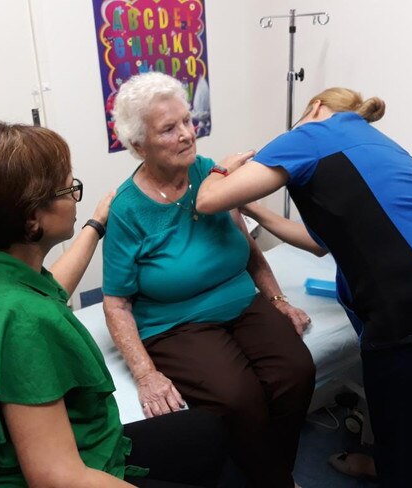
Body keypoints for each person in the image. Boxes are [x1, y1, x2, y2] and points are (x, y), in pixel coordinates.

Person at [196, 87, 412, 488]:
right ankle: (390, 463)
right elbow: (320, 244)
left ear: (315, 107)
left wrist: (221, 169)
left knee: (399, 423)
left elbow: (207, 201)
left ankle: (398, 473)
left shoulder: (308, 136)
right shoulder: (371, 141)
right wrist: (253, 208)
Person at [0, 121, 227, 488]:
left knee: (206, 431)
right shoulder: (19, 323)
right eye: (68, 188)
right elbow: (57, 477)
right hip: (61, 473)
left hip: (77, 448)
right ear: (32, 219)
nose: (74, 195)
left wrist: (95, 223)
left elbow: (48, 289)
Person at [102, 71, 315, 488]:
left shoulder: (210, 174)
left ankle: (269, 471)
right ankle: (276, 481)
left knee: (296, 371)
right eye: (169, 128)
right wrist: (146, 373)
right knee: (239, 396)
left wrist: (277, 300)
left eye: (186, 120)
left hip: (241, 301)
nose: (186, 134)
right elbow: (116, 302)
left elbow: (249, 250)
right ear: (137, 145)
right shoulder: (127, 209)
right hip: (176, 323)